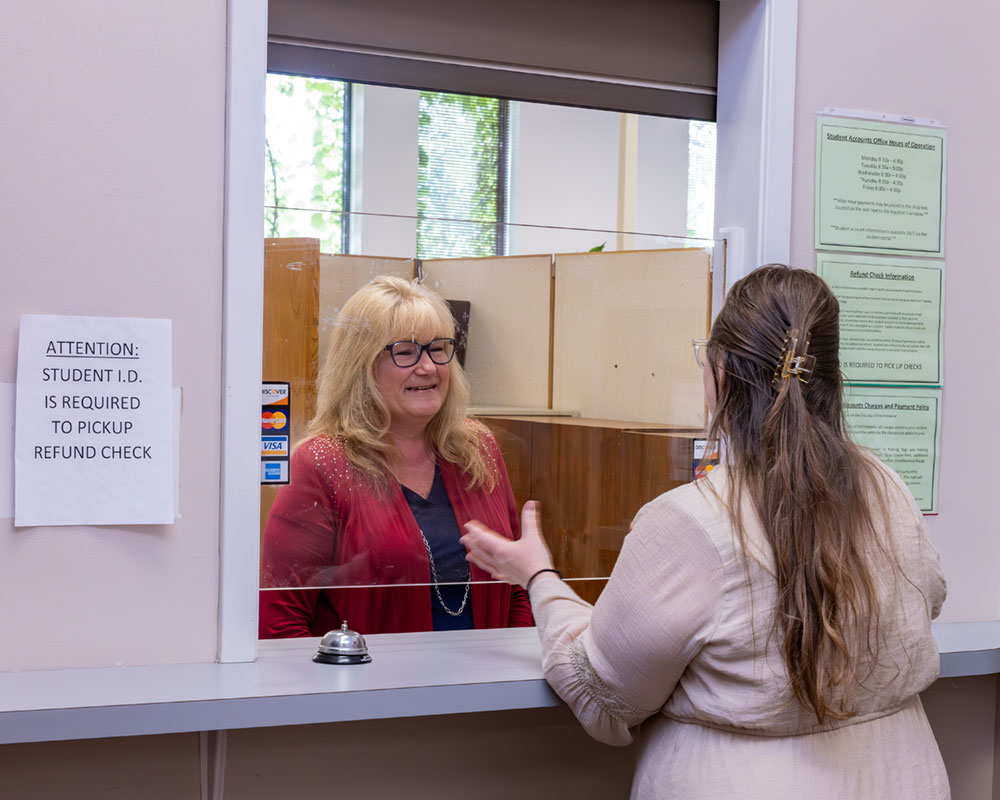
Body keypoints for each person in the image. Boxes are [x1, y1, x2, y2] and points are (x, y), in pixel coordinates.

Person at [462, 265, 948, 799]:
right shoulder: (887, 486)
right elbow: (928, 598)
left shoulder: (690, 521)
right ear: (833, 377)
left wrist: (539, 576)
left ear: (720, 370)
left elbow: (604, 695)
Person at [260, 275, 531, 637]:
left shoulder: (476, 448)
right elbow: (280, 620)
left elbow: (516, 584)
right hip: (374, 689)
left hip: (488, 684)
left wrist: (510, 675)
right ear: (361, 366)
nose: (429, 367)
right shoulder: (321, 464)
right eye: (405, 351)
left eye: (438, 348)